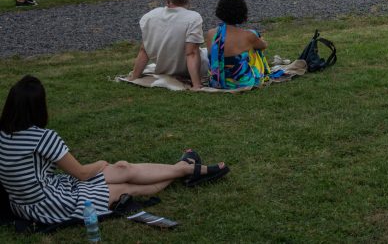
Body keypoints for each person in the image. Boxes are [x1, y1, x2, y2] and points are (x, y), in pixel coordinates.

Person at [0, 76, 228, 224]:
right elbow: (80, 173)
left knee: (122, 167)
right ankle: (189, 170)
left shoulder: (4, 133)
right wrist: (99, 164)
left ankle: (184, 168)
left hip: (41, 194)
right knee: (127, 189)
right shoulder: (42, 137)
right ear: (39, 107)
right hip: (51, 204)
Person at [129, 0, 206, 89]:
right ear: (188, 1)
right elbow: (191, 53)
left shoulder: (150, 16)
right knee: (207, 52)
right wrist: (197, 85)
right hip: (187, 70)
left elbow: (144, 50)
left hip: (162, 68)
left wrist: (134, 76)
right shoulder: (193, 18)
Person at [207, 0, 277, 89]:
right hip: (242, 82)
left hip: (216, 81)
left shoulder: (210, 34)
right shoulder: (248, 36)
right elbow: (264, 46)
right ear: (242, 13)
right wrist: (258, 37)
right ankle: (264, 71)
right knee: (255, 42)